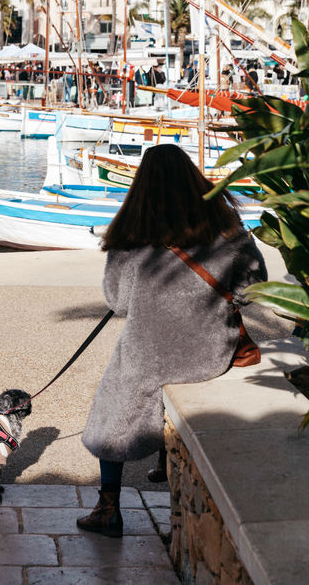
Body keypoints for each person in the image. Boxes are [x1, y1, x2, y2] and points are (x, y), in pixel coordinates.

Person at [77, 144, 267, 537]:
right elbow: (252, 288)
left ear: (141, 185)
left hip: (148, 356)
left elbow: (118, 303)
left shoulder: (131, 235)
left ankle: (108, 507)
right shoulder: (227, 227)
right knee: (150, 380)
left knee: (110, 415)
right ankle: (163, 461)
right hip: (210, 354)